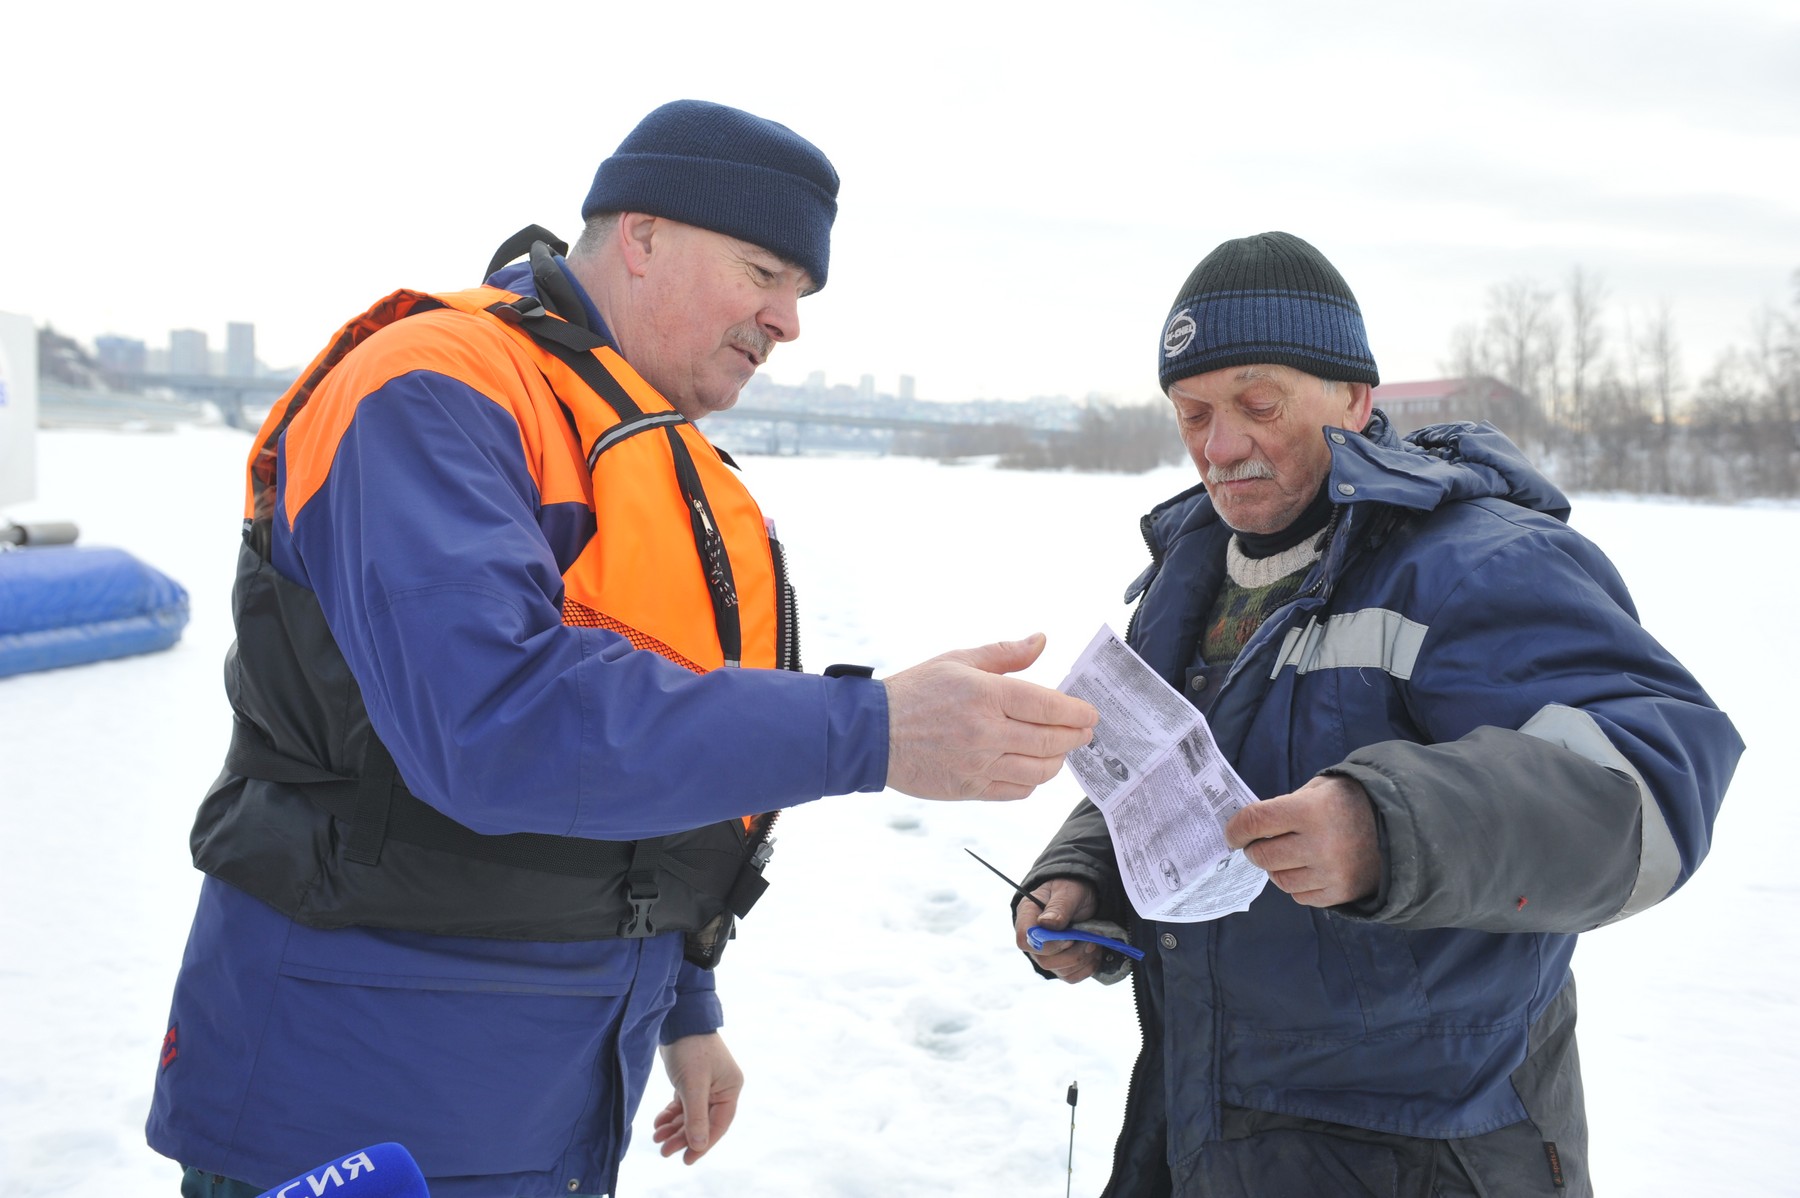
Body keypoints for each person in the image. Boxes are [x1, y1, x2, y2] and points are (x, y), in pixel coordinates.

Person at [146, 99, 1097, 1198]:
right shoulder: (433, 391)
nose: (789, 322)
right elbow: (493, 721)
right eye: (763, 272)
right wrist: (873, 730)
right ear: (640, 236)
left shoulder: (636, 437)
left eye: (801, 292)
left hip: (544, 1090)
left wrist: (682, 996)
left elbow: (638, 762)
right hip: (368, 1096)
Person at [1013, 231, 1741, 1197]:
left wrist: (1387, 829)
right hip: (1202, 1121)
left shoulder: (1477, 562)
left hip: (1432, 1149)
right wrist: (1089, 877)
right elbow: (1171, 775)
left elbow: (1653, 782)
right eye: (1191, 412)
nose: (1219, 445)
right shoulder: (1187, 574)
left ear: (1355, 398)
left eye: (1256, 404)